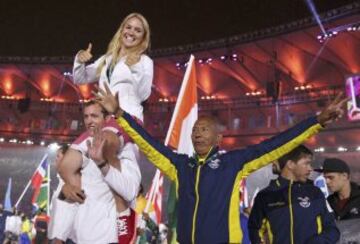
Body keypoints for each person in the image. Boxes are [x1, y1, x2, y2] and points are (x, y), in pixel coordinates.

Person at [94, 83, 347, 243]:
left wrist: (316, 122)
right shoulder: (180, 166)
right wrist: (119, 115)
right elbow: (150, 145)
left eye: (204, 130)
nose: (197, 134)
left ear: (218, 138)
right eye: (195, 130)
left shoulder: (233, 163)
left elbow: (276, 144)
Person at [59, 101, 141, 244]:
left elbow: (129, 192)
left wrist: (104, 162)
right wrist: (67, 190)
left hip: (112, 234)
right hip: (83, 233)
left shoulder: (126, 150)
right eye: (86, 117)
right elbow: (68, 192)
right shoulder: (83, 150)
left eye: (94, 116)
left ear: (108, 119)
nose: (89, 121)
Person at [248, 145, 340, 243]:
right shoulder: (266, 196)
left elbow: (333, 230)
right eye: (306, 164)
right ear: (291, 164)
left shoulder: (315, 193)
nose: (310, 169)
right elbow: (255, 230)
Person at [73, 12, 153, 122]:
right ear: (121, 30)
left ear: (143, 38)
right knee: (82, 140)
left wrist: (135, 68)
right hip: (103, 119)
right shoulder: (107, 59)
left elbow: (143, 95)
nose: (131, 32)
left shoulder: (145, 61)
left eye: (137, 30)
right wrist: (79, 60)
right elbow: (80, 79)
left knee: (106, 139)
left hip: (128, 119)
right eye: (128, 27)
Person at [48, 143, 77, 244]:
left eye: (58, 156)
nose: (56, 159)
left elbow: (69, 211)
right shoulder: (63, 179)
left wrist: (60, 238)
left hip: (66, 238)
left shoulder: (70, 180)